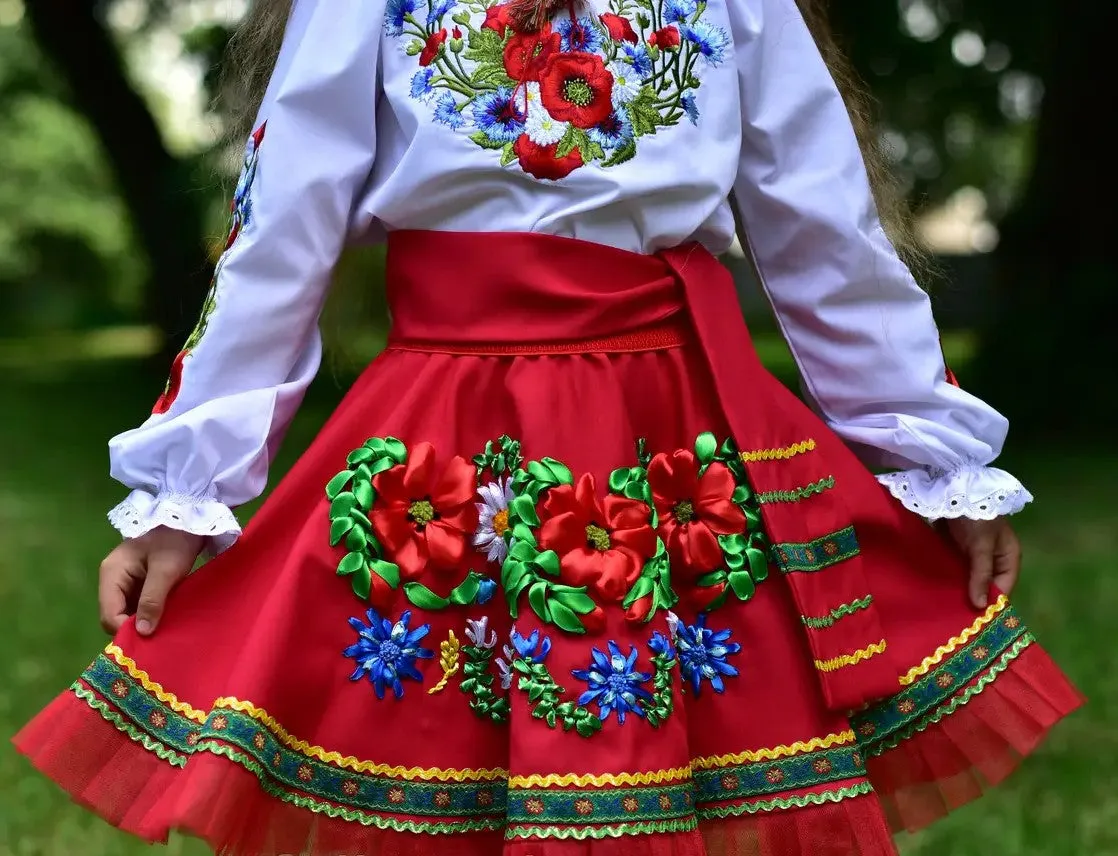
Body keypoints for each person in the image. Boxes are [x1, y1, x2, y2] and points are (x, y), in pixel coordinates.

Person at [14, 0, 1081, 853]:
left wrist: (926, 455)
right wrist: (184, 489)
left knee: (678, 783)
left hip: (668, 439)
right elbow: (283, 230)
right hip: (445, 434)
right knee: (434, 752)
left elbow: (824, 237)